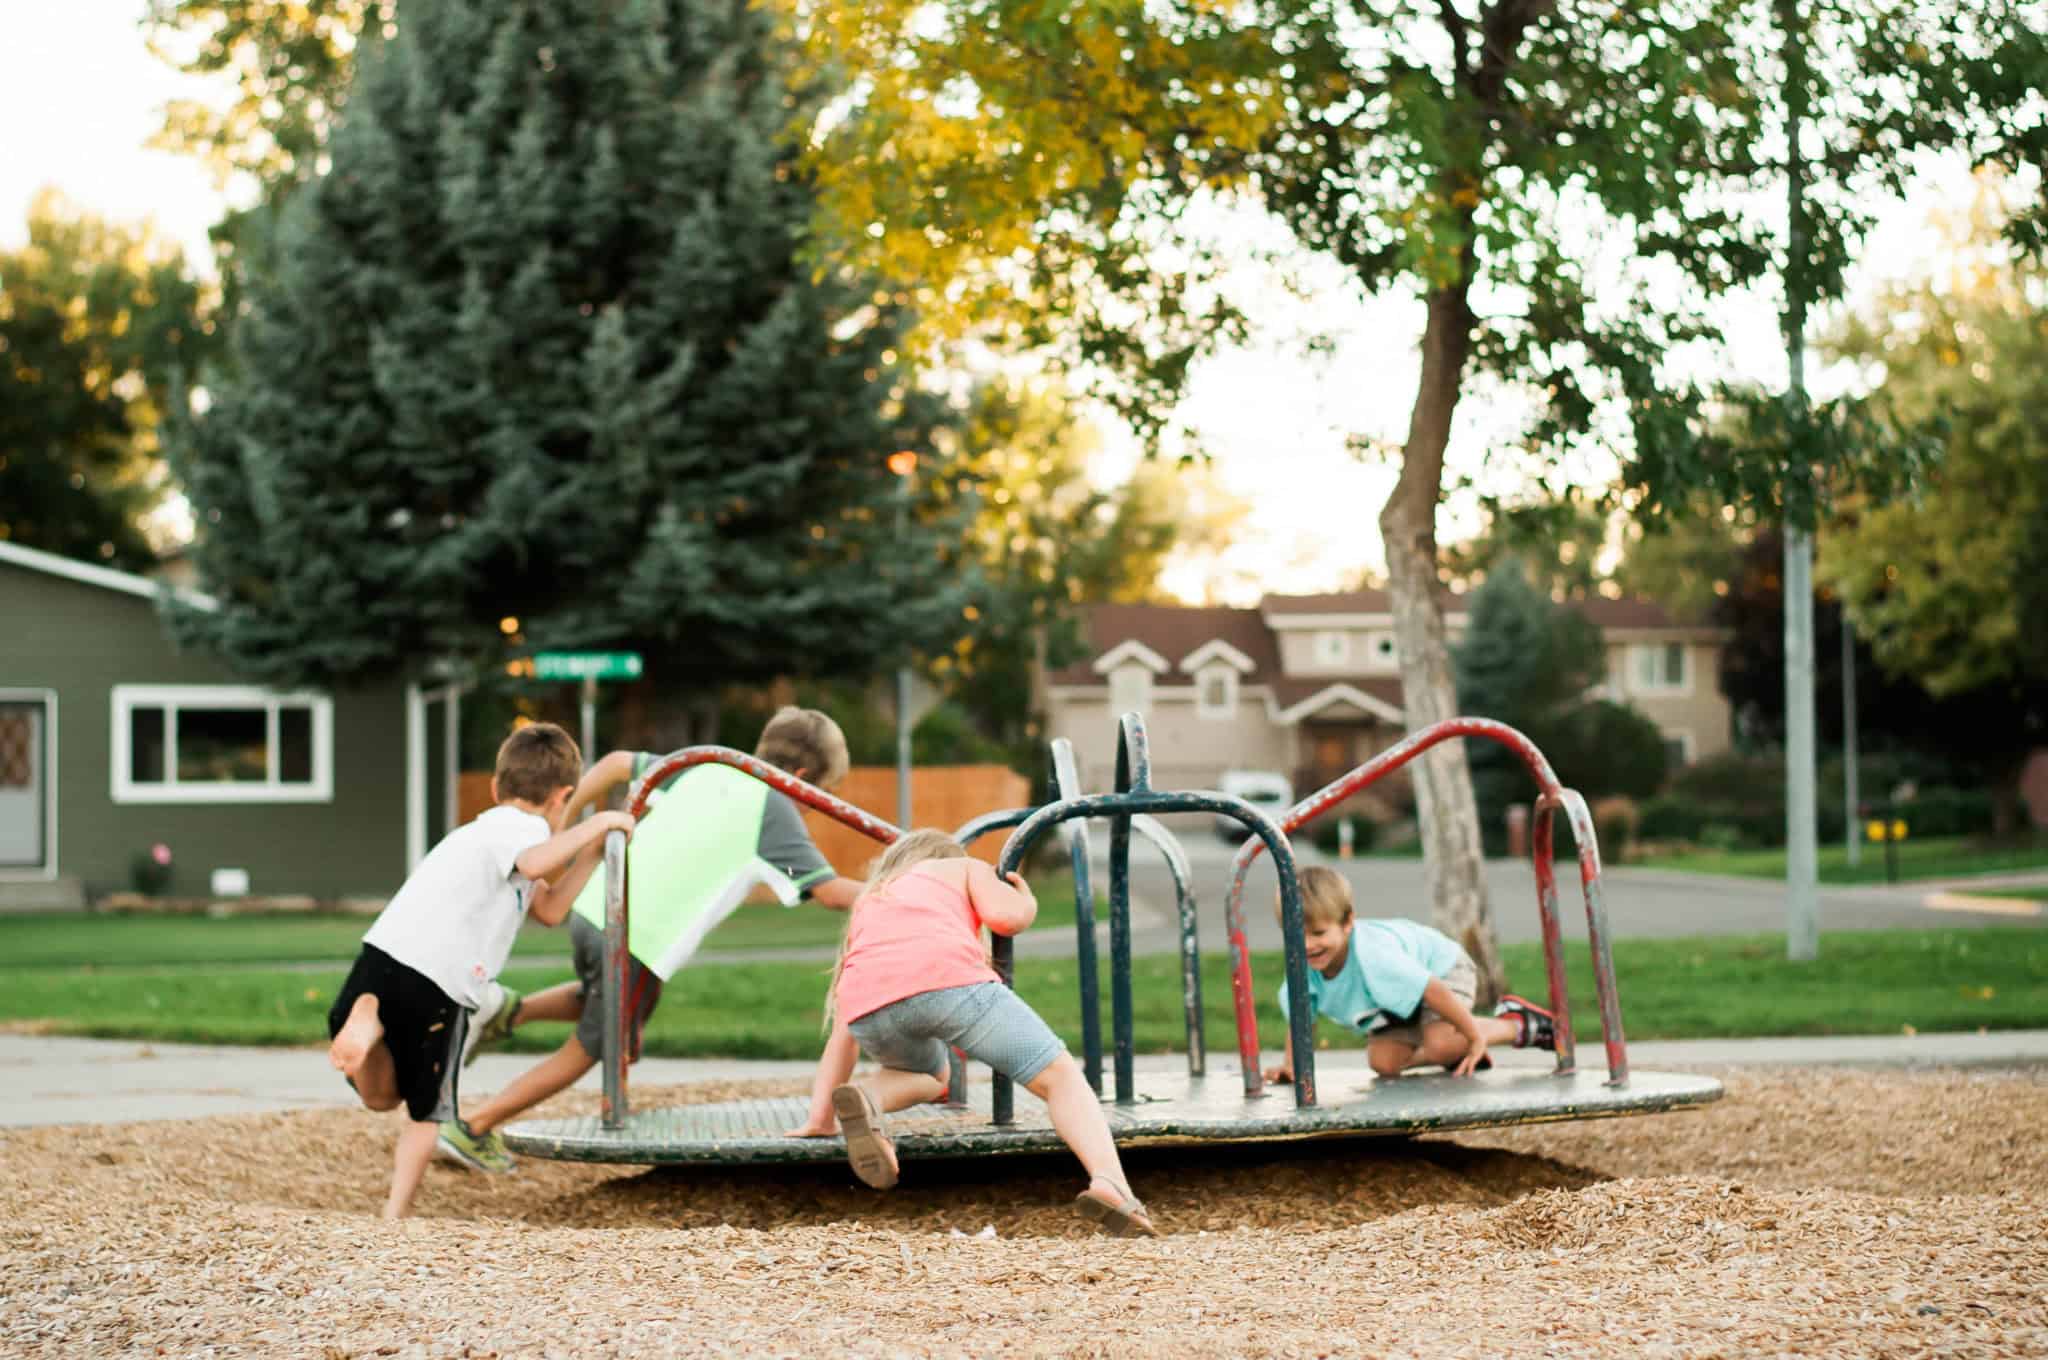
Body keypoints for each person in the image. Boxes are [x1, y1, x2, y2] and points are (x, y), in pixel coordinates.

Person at [436, 706, 864, 1173]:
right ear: (801, 777)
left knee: (603, 1002)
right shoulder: (776, 806)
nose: (814, 806)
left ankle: (510, 1011)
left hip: (599, 904)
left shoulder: (708, 767)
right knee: (593, 1047)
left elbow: (619, 762)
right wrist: (903, 889)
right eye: (820, 795)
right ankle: (473, 1126)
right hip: (637, 939)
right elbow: (830, 891)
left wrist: (567, 816)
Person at [326, 722, 631, 1219]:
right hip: (440, 981)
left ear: (494, 787)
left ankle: (368, 1025)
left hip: (380, 964)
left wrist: (592, 856)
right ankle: (394, 1216)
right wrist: (597, 826)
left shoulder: (479, 832)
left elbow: (549, 908)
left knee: (382, 1097)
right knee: (429, 1112)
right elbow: (535, 864)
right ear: (564, 796)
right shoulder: (521, 829)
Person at [792, 828, 1158, 1237]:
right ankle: (1111, 1182)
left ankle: (870, 1098)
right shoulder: (963, 867)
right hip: (951, 985)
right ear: (943, 854)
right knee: (1061, 1079)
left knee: (932, 1077)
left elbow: (841, 1037)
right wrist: (1025, 899)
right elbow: (1007, 919)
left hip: (870, 1007)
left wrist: (821, 1117)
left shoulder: (872, 902)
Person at [1261, 865, 1555, 1084]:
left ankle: (1515, 1023)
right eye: (1296, 936)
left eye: (1319, 933)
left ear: (1348, 921)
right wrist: (1292, 1066)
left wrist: (1475, 1038)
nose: (1308, 945)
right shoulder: (1302, 967)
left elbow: (1433, 990)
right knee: (1384, 1063)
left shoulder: (1376, 956)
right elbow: (1301, 1022)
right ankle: (1454, 1046)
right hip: (1395, 1002)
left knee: (1439, 1045)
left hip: (1442, 969)